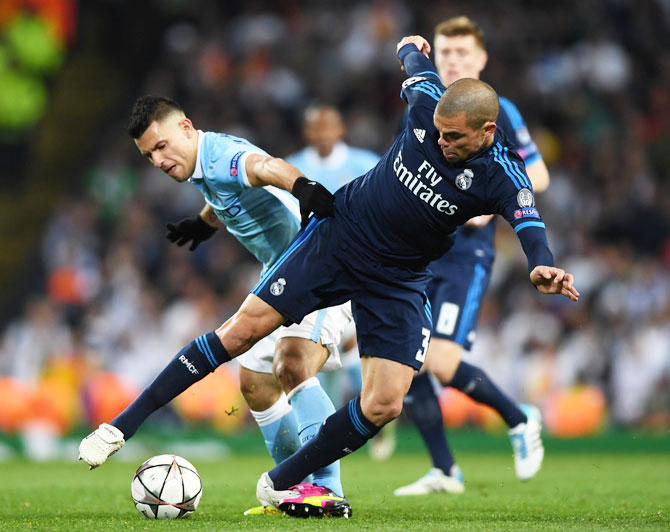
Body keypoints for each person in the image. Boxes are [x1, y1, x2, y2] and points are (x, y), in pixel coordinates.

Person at [81, 35, 579, 519]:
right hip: (339, 238)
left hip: (399, 278)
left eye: (454, 138)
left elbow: (528, 222)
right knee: (241, 336)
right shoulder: (428, 101)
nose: (440, 142)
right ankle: (121, 427)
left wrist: (541, 262)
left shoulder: (501, 173)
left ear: (488, 131)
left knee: (383, 404)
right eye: (438, 132)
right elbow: (412, 60)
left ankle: (281, 482)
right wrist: (409, 46)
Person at [77, 95, 353, 512]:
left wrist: (302, 186)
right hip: (280, 272)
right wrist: (204, 223)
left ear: (186, 128)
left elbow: (262, 167)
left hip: (318, 267)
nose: (157, 160)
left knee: (292, 362)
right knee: (256, 384)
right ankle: (293, 490)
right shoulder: (202, 165)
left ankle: (327, 488)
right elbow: (228, 193)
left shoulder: (224, 155)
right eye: (149, 154)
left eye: (162, 146)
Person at [394, 16, 551, 496]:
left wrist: (489, 204)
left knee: (439, 361)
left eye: (463, 54)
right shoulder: (430, 104)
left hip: (465, 253)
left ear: (480, 60)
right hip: (419, 249)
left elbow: (537, 175)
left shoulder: (499, 112)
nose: (453, 60)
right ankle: (445, 469)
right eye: (445, 53)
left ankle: (519, 417)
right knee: (404, 358)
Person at [285, 104, 397, 460]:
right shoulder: (293, 166)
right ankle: (332, 431)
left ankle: (369, 419)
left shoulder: (365, 164)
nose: (321, 134)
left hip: (359, 267)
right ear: (308, 133)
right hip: (309, 267)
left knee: (345, 345)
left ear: (340, 129)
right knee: (325, 349)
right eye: (315, 128)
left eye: (328, 127)